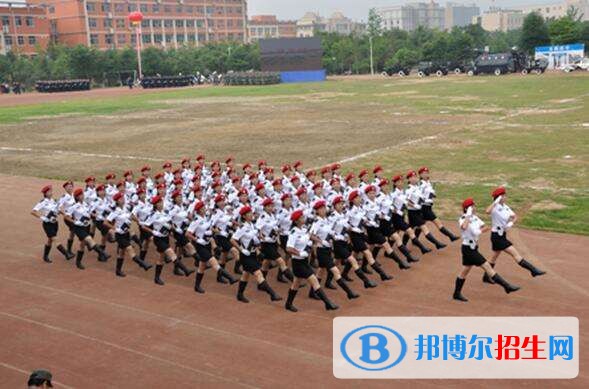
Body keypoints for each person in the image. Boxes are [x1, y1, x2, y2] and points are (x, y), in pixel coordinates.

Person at [453, 198, 520, 302]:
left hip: (473, 247)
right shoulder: (462, 218)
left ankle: (456, 294)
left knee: (464, 271)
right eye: (472, 206)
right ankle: (507, 286)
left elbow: (485, 227)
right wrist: (468, 215)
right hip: (468, 249)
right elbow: (464, 227)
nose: (475, 207)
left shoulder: (475, 218)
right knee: (487, 267)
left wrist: (478, 231)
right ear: (468, 208)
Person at [483, 187, 545, 283]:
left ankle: (486, 277)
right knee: (516, 254)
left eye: (504, 195)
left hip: (501, 235)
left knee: (493, 257)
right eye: (503, 196)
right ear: (499, 197)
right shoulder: (495, 207)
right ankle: (533, 270)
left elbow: (515, 216)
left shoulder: (506, 207)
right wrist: (496, 201)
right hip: (496, 236)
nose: (505, 197)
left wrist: (511, 224)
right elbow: (487, 211)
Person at [285, 209, 338, 312]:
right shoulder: (293, 232)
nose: (303, 218)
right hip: (297, 263)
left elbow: (310, 238)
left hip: (304, 261)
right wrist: (299, 253)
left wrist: (319, 242)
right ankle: (328, 303)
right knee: (314, 280)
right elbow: (288, 248)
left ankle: (288, 303)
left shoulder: (305, 229)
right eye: (301, 218)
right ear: (296, 221)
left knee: (295, 284)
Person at [231, 206, 283, 303]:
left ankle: (239, 294)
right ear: (244, 216)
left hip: (253, 253)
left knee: (245, 275)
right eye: (249, 214)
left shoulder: (252, 225)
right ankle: (272, 294)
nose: (252, 215)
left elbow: (255, 237)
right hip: (246, 255)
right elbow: (233, 240)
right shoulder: (242, 227)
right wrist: (241, 250)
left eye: (251, 213)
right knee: (258, 273)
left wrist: (260, 240)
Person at [310, 199, 359, 299]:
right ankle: (349, 293)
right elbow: (311, 235)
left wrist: (335, 236)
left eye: (324, 208)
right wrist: (320, 241)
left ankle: (312, 292)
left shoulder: (326, 220)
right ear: (317, 211)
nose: (324, 210)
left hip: (328, 249)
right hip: (321, 251)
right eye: (321, 209)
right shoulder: (317, 222)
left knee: (321, 271)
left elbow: (330, 231)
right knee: (336, 271)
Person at [186, 200, 237, 293]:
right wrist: (196, 239)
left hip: (207, 243)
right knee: (214, 262)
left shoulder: (205, 218)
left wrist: (212, 233)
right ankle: (230, 278)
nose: (205, 209)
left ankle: (197, 286)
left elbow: (209, 228)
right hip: (200, 246)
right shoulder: (196, 220)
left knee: (202, 266)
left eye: (204, 208)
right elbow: (188, 233)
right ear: (199, 210)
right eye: (202, 208)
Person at [143, 195, 193, 285]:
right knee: (171, 253)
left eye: (161, 202)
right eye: (158, 203)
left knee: (161, 259)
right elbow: (144, 226)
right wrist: (154, 231)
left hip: (165, 237)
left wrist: (174, 230)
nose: (161, 204)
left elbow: (170, 223)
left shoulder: (166, 212)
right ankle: (185, 270)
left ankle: (156, 278)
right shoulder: (153, 215)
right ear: (155, 205)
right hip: (158, 239)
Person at [347, 190, 393, 281]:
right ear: (352, 200)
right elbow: (347, 226)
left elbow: (364, 220)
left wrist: (371, 222)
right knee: (368, 253)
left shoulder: (360, 208)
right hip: (355, 236)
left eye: (359, 197)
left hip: (362, 233)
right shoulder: (350, 212)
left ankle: (345, 273)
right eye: (356, 198)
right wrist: (350, 236)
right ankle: (382, 274)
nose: (359, 199)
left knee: (355, 254)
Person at [104, 192, 152, 277]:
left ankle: (118, 271)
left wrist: (138, 221)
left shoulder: (125, 208)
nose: (123, 199)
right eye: (121, 199)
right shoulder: (115, 212)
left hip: (126, 233)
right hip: (120, 235)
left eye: (123, 198)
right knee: (130, 249)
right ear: (117, 201)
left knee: (121, 253)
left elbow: (131, 216)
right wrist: (115, 228)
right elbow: (105, 222)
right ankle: (144, 264)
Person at [64, 188, 110, 269]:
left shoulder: (85, 204)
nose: (83, 196)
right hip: (79, 227)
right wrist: (74, 221)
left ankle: (78, 262)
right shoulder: (74, 206)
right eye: (80, 195)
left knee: (82, 245)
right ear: (77, 197)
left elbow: (89, 212)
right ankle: (102, 253)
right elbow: (66, 216)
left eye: (82, 194)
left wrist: (94, 215)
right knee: (89, 239)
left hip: (86, 226)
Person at [405, 170, 447, 250]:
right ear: (409, 179)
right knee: (424, 228)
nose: (414, 178)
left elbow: (421, 197)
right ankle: (436, 244)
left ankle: (404, 244)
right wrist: (414, 205)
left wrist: (430, 196)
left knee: (410, 229)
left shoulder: (417, 187)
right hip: (413, 212)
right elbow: (406, 200)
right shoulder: (409, 189)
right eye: (412, 177)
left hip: (418, 211)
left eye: (415, 177)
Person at [31, 185, 73, 262]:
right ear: (45, 193)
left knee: (50, 240)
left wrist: (63, 213)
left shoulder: (54, 201)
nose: (51, 192)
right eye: (49, 191)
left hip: (55, 223)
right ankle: (66, 254)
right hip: (47, 224)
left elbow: (57, 210)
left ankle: (45, 256)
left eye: (51, 191)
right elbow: (33, 212)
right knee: (55, 239)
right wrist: (42, 217)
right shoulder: (43, 202)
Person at [418, 167, 459, 242]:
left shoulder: (428, 183)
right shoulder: (421, 184)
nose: (426, 174)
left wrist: (432, 195)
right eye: (424, 173)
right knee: (437, 222)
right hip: (424, 207)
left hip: (428, 207)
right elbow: (419, 196)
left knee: (419, 226)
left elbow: (428, 194)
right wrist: (427, 198)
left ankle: (413, 240)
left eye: (427, 172)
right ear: (420, 175)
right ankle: (451, 236)